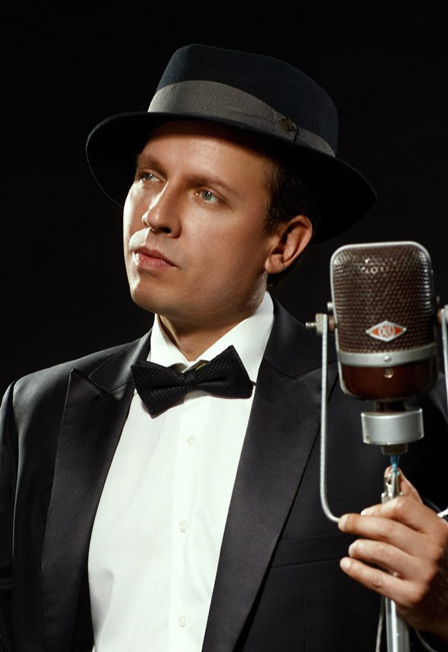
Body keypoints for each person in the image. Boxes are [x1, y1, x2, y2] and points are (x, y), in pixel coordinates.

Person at [0, 43, 447, 652]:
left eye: (206, 193)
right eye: (149, 176)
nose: (156, 215)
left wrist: (444, 614)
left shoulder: (380, 406)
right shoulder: (37, 409)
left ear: (284, 244)